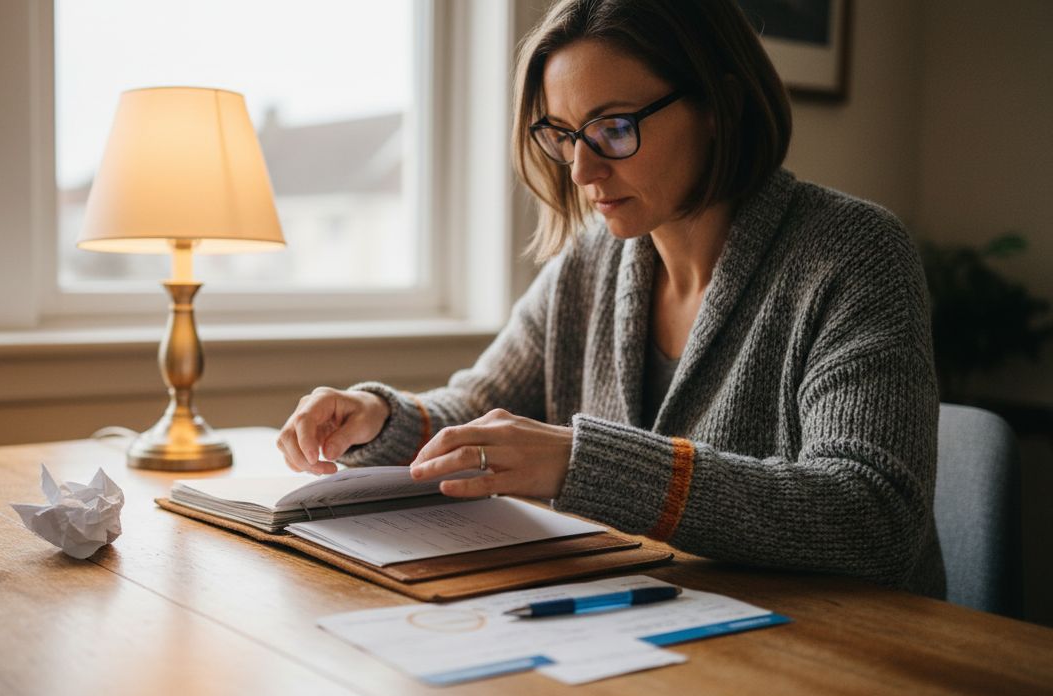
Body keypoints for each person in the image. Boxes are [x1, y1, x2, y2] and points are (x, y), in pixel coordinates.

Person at [276, 0, 944, 597]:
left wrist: (580, 461)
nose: (583, 172)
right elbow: (482, 407)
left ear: (722, 106)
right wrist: (376, 417)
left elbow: (873, 515)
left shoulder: (854, 253)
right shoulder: (594, 259)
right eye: (564, 135)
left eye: (614, 128)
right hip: (654, 638)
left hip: (838, 665)